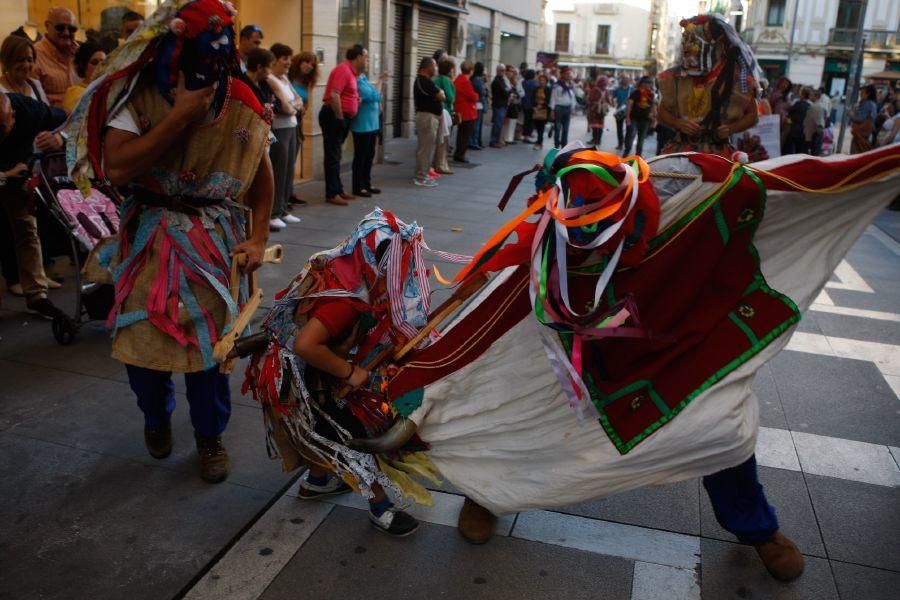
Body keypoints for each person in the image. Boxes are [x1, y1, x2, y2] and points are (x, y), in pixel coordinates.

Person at [68, 0, 275, 484]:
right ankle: (155, 416)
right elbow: (118, 167)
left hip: (214, 245)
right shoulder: (136, 94)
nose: (211, 71)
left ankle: (209, 436)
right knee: (142, 347)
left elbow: (261, 175)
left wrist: (259, 236)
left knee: (210, 355)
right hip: (148, 239)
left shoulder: (241, 99)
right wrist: (180, 116)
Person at [0, 92, 67, 319]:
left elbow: (65, 119)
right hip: (8, 172)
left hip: (16, 176)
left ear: (14, 115)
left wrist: (59, 137)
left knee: (27, 231)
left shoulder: (30, 110)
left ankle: (37, 295)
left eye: (1, 127)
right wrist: (6, 174)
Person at [657, 15, 759, 157]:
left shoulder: (737, 78)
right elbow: (662, 113)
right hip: (681, 152)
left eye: (694, 42)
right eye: (686, 41)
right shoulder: (676, 77)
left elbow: (753, 115)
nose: (687, 47)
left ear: (717, 45)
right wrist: (678, 123)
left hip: (717, 153)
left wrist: (730, 128)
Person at [320, 44, 366, 204]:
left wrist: (355, 101)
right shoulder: (343, 70)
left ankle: (337, 189)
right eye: (365, 57)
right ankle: (332, 193)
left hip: (341, 116)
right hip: (334, 116)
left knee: (337, 154)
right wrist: (339, 118)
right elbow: (334, 95)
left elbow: (345, 94)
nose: (366, 60)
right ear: (358, 57)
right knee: (332, 155)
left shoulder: (352, 73)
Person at [267, 43, 303, 230]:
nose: (289, 62)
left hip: (292, 127)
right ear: (275, 59)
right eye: (285, 58)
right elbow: (287, 106)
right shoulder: (271, 78)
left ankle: (282, 209)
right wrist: (293, 107)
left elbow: (297, 101)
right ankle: (273, 213)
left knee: (288, 171)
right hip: (280, 129)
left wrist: (293, 107)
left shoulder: (284, 78)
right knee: (279, 171)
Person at [33, 7, 78, 110]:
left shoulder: (80, 53)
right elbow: (34, 103)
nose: (66, 33)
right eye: (60, 27)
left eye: (71, 29)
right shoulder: (35, 56)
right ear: (47, 26)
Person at [350, 67, 385, 197]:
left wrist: (380, 80)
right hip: (362, 125)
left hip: (372, 124)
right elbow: (376, 95)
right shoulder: (357, 81)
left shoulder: (364, 78)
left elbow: (375, 95)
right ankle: (358, 186)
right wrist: (378, 90)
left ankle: (367, 183)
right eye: (365, 58)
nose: (367, 62)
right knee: (361, 156)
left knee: (369, 155)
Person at [413, 57, 442, 187]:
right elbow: (441, 95)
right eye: (434, 66)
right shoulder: (424, 81)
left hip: (429, 118)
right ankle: (421, 177)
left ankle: (423, 174)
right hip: (427, 118)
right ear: (427, 67)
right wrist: (440, 93)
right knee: (425, 149)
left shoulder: (426, 81)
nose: (436, 69)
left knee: (427, 148)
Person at [0, 35, 50, 105]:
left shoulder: (36, 85)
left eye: (29, 60)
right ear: (7, 60)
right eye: (20, 60)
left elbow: (47, 114)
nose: (26, 65)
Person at [62, 41, 105, 113]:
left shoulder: (108, 88)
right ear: (83, 66)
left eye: (104, 63)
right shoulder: (75, 93)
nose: (100, 66)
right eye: (94, 63)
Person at [622, 76, 655, 156]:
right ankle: (626, 152)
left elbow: (653, 105)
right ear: (642, 84)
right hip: (634, 118)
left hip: (645, 119)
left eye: (650, 83)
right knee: (630, 136)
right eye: (647, 83)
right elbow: (629, 105)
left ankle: (638, 156)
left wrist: (653, 115)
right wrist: (627, 117)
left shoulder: (651, 94)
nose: (649, 85)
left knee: (641, 139)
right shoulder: (635, 92)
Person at [453, 60, 478, 163]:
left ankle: (458, 153)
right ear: (471, 71)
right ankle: (460, 154)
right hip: (466, 112)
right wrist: (477, 95)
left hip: (460, 110)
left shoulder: (458, 79)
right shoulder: (465, 81)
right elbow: (473, 96)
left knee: (461, 133)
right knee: (465, 135)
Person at [433, 59, 455, 175]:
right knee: (444, 140)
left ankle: (437, 163)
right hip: (445, 112)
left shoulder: (437, 79)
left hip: (439, 112)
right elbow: (451, 98)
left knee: (439, 139)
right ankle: (441, 165)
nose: (454, 71)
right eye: (452, 69)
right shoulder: (446, 80)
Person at [549, 67, 576, 148]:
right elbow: (553, 97)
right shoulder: (557, 85)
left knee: (566, 129)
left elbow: (572, 97)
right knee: (557, 128)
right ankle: (556, 145)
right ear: (563, 74)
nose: (569, 75)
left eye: (570, 73)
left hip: (567, 108)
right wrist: (552, 110)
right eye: (567, 73)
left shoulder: (570, 85)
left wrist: (573, 107)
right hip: (559, 108)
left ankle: (564, 145)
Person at [849, 84, 878, 154]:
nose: (860, 95)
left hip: (862, 134)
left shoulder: (868, 104)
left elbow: (859, 119)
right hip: (866, 134)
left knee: (857, 155)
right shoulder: (872, 104)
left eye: (862, 93)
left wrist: (850, 114)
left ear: (868, 94)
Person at [587, 75, 611, 146]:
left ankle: (595, 139)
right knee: (600, 125)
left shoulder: (594, 89)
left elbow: (590, 99)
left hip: (595, 109)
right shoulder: (606, 90)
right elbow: (608, 100)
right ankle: (598, 140)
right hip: (602, 110)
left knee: (594, 125)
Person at [785, 87, 811, 155]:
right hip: (803, 133)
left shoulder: (797, 104)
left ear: (803, 94)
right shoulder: (810, 106)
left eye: (800, 93)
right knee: (800, 152)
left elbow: (788, 115)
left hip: (794, 131)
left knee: (790, 151)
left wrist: (789, 124)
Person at [530, 73, 552, 150]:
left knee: (541, 127)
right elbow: (532, 98)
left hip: (544, 110)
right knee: (537, 126)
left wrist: (541, 106)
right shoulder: (536, 89)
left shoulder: (548, 89)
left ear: (546, 81)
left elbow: (548, 100)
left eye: (543, 80)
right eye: (540, 80)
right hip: (536, 109)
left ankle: (539, 142)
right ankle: (539, 141)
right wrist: (535, 106)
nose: (541, 81)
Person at [489, 64, 508, 148]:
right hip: (498, 104)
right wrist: (509, 92)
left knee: (499, 124)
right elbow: (504, 92)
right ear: (498, 71)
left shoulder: (502, 80)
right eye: (502, 70)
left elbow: (506, 90)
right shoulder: (497, 81)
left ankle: (496, 140)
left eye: (504, 70)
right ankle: (494, 141)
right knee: (497, 124)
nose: (503, 72)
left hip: (502, 104)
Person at [469, 62, 488, 150]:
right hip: (478, 103)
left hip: (477, 103)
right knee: (476, 124)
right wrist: (485, 89)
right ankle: (474, 142)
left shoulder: (474, 79)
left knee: (477, 124)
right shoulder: (477, 79)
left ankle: (476, 141)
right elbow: (482, 91)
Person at [803, 88, 826, 156]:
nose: (810, 97)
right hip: (814, 135)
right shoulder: (819, 105)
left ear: (816, 96)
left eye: (811, 95)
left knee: (812, 155)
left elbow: (819, 124)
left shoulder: (815, 106)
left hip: (813, 135)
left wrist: (814, 135)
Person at [613, 75, 633, 150]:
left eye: (627, 79)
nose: (625, 80)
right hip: (620, 111)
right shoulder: (617, 89)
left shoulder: (632, 90)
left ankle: (627, 144)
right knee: (619, 129)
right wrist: (612, 102)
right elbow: (613, 97)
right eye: (624, 79)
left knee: (629, 129)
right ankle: (620, 144)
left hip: (629, 111)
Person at [504, 65, 520, 144]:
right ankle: (506, 138)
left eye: (513, 72)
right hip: (507, 104)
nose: (512, 73)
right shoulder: (505, 80)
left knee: (511, 121)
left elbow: (520, 91)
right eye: (511, 71)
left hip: (513, 103)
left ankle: (509, 138)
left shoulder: (514, 81)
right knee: (506, 122)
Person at [521, 68, 538, 142]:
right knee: (530, 121)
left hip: (524, 103)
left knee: (526, 120)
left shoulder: (523, 82)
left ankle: (525, 135)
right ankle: (527, 136)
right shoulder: (535, 83)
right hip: (532, 104)